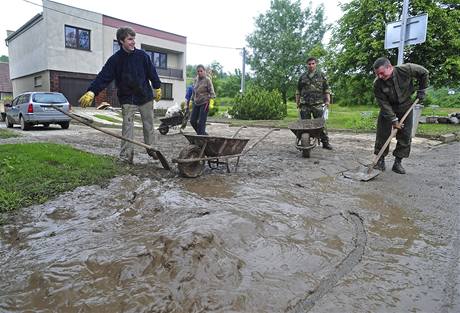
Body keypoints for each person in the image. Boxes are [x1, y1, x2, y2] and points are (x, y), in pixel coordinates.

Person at [78, 27, 162, 164]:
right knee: (127, 127)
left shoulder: (142, 56)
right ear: (121, 41)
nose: (133, 42)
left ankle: (152, 149)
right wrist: (92, 91)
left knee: (149, 125)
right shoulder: (115, 60)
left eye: (134, 39)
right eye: (130, 39)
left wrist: (157, 86)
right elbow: (103, 76)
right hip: (127, 99)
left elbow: (152, 72)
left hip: (145, 96)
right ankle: (126, 156)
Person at [372, 57, 429, 174]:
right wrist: (393, 119)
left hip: (406, 106)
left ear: (390, 67)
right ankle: (380, 161)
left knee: (406, 135)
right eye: (378, 74)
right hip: (388, 109)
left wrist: (422, 90)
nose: (380, 76)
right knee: (382, 135)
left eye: (382, 73)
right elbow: (383, 103)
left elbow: (424, 72)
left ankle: (398, 162)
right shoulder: (377, 84)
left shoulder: (406, 69)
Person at [296, 57, 332, 150]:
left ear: (316, 64)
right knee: (304, 125)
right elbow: (298, 90)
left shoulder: (321, 76)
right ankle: (304, 140)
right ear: (306, 65)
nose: (311, 65)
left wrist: (328, 100)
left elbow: (326, 89)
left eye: (313, 63)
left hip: (318, 104)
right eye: (309, 64)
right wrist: (297, 102)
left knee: (321, 124)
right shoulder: (303, 77)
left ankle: (325, 142)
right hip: (305, 104)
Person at [189, 64, 215, 135]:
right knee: (192, 121)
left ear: (204, 71)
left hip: (205, 102)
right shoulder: (195, 80)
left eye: (201, 71)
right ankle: (203, 134)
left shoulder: (207, 80)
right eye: (198, 71)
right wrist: (191, 101)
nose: (199, 72)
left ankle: (201, 136)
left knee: (201, 122)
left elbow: (212, 92)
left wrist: (211, 101)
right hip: (196, 102)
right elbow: (194, 91)